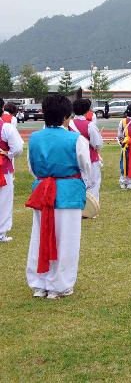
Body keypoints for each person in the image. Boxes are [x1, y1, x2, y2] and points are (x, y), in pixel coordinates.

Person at [25, 94, 93, 299]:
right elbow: (86, 168)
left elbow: (32, 167)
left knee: (40, 235)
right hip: (67, 192)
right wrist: (85, 186)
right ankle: (59, 285)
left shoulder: (34, 138)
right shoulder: (76, 139)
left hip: (43, 190)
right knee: (67, 239)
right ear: (66, 116)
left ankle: (40, 283)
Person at [68, 98, 104, 202]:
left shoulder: (69, 124)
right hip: (90, 158)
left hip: (73, 158)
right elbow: (97, 144)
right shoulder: (90, 125)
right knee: (93, 183)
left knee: (77, 182)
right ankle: (91, 209)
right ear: (87, 111)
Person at [0, 106, 23, 242]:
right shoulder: (6, 127)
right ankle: (1, 232)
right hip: (2, 167)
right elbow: (18, 148)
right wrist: (8, 154)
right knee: (4, 200)